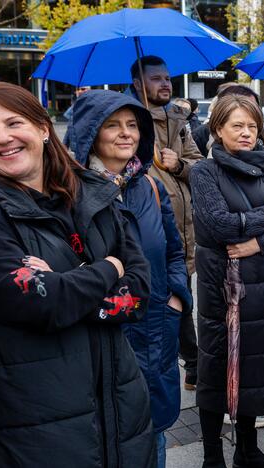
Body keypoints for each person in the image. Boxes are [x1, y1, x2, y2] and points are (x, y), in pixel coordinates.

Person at [0, 82, 155, 467]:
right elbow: (39, 302)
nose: (3, 138)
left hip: (117, 408)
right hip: (31, 424)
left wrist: (65, 283)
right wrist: (108, 268)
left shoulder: (94, 195)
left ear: (43, 129)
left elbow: (139, 296)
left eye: (14, 122)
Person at [72, 89, 193, 468]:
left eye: (132, 125)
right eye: (112, 125)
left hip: (156, 329)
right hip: (104, 335)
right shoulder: (69, 193)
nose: (126, 134)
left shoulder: (149, 187)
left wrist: (176, 298)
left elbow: (174, 249)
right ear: (91, 132)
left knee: (152, 429)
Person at [190, 94, 264, 468]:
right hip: (225, 287)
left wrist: (257, 240)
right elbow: (219, 225)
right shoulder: (204, 172)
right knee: (217, 370)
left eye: (252, 126)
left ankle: (247, 449)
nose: (246, 133)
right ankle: (213, 456)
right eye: (236, 126)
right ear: (218, 129)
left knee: (256, 370)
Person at [130, 55, 204, 391]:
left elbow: (200, 167)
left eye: (167, 77)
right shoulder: (127, 120)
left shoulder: (179, 119)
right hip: (149, 226)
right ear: (137, 84)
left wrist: (177, 166)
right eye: (156, 78)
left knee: (180, 294)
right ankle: (186, 362)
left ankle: (190, 363)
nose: (165, 84)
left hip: (183, 227)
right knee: (164, 297)